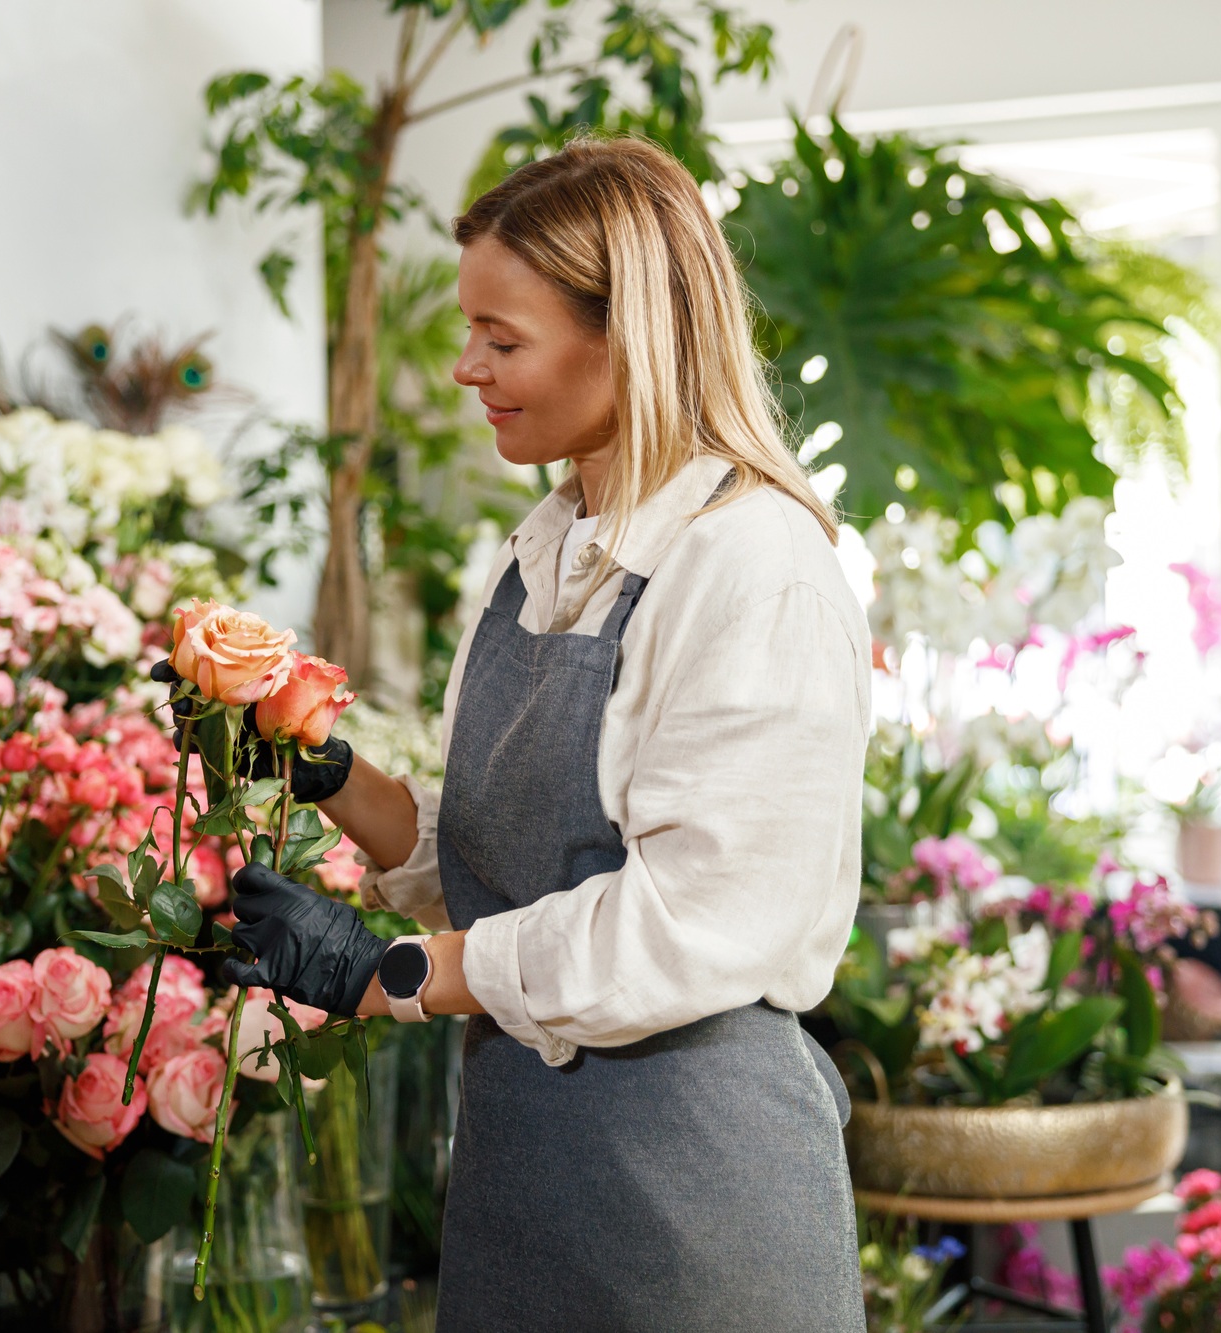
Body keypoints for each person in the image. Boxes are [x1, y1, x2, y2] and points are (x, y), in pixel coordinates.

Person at [221, 135, 871, 1332]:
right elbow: (484, 858)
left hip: (693, 1202)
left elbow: (686, 923)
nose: (466, 366)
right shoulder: (549, 543)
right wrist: (312, 767)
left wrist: (387, 976)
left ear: (629, 335)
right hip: (525, 1178)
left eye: (502, 338)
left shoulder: (753, 567)